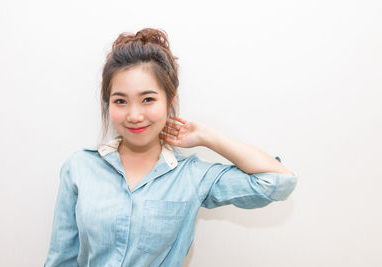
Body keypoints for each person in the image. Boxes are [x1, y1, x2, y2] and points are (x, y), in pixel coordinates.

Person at [44, 28, 298, 267]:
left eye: (148, 99)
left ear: (169, 101)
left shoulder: (192, 176)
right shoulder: (79, 167)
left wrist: (207, 135)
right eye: (120, 100)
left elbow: (277, 182)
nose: (134, 115)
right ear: (108, 104)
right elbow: (60, 260)